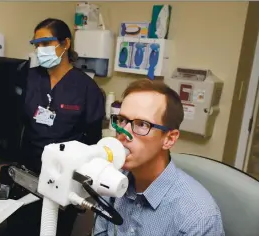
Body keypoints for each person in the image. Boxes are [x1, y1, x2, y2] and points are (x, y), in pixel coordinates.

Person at [0, 18, 105, 236]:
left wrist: (82, 187)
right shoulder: (27, 78)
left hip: (63, 181)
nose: (40, 50)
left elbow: (93, 142)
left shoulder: (86, 89)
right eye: (36, 45)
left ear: (65, 44)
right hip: (25, 177)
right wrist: (4, 162)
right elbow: (12, 124)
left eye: (46, 43)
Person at [93, 79, 225, 236]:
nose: (123, 133)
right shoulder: (111, 182)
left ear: (169, 139)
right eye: (122, 120)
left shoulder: (199, 218)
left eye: (142, 124)